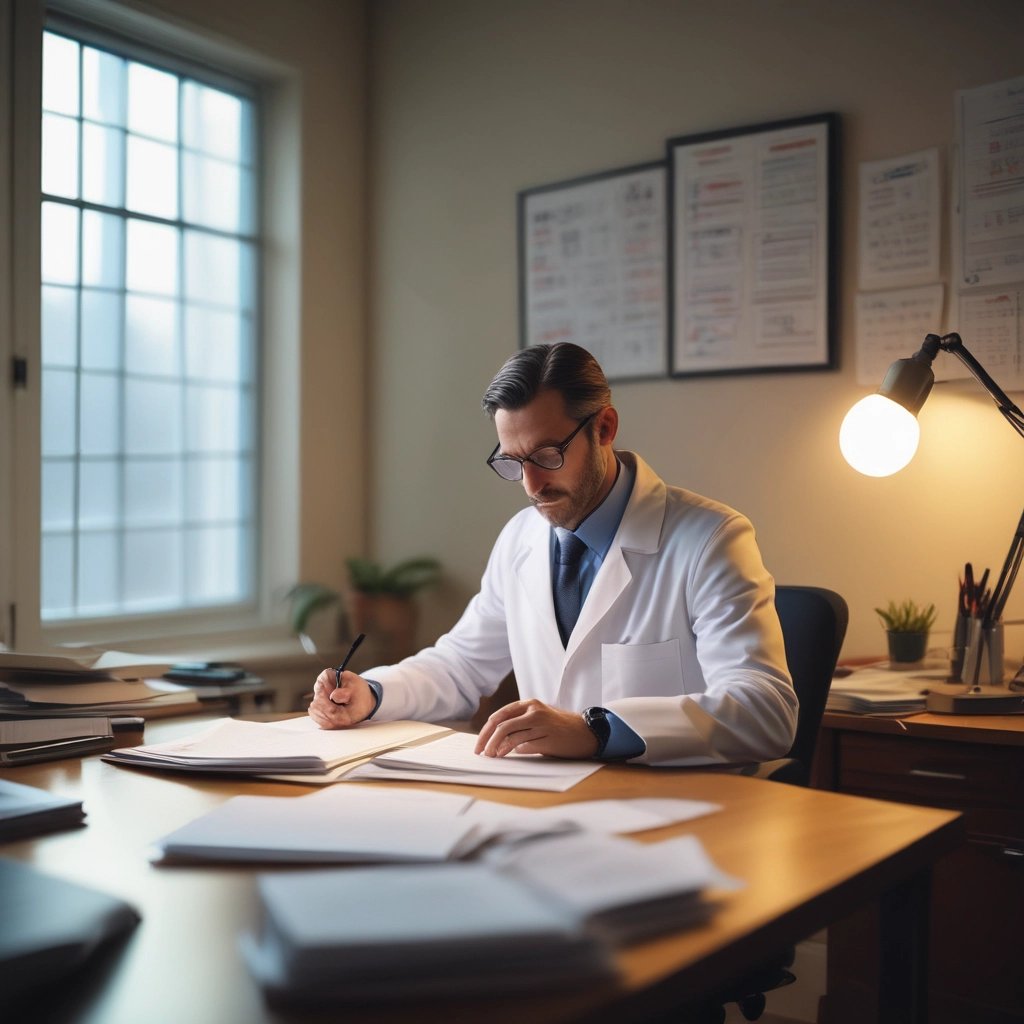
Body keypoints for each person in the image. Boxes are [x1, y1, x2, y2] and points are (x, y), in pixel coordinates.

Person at [307, 342, 796, 766]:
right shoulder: (521, 537)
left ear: (604, 428)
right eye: (512, 461)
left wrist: (597, 730)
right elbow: (460, 667)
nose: (531, 485)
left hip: (680, 810)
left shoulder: (711, 539)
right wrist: (369, 694)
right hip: (552, 805)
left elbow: (764, 710)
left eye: (546, 456)